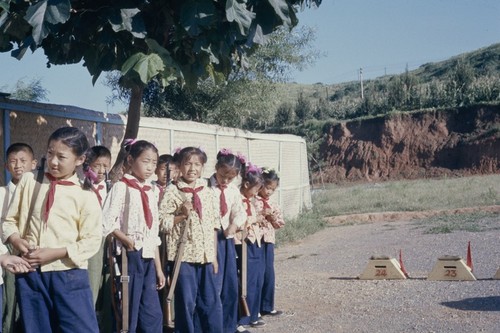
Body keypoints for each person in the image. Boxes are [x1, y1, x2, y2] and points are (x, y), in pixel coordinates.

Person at [2, 127, 102, 333]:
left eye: (61, 157)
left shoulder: (85, 195)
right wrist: (16, 239)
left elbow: (92, 240)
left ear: (80, 160)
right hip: (31, 274)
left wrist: (57, 252)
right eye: (50, 153)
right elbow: (8, 220)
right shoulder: (31, 181)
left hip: (69, 274)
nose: (53, 161)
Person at [102, 139, 165, 333]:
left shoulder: (152, 190)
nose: (150, 167)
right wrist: (126, 240)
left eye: (154, 163)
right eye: (146, 161)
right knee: (130, 309)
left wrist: (159, 269)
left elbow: (152, 232)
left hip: (148, 257)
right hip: (129, 256)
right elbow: (106, 222)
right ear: (130, 159)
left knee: (153, 311)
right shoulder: (121, 187)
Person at [159, 146, 222, 333]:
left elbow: (213, 225)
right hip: (182, 257)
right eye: (187, 164)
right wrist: (181, 214)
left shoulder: (208, 191)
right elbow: (162, 223)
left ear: (203, 167)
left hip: (205, 256)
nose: (192, 169)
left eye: (197, 164)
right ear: (179, 166)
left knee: (210, 301)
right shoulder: (172, 191)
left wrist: (215, 256)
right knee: (186, 302)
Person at [209, 148, 247, 333]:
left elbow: (240, 211)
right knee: (214, 283)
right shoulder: (205, 187)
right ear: (216, 167)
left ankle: (229, 325)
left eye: (230, 178)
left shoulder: (232, 191)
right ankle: (213, 326)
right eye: (222, 175)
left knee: (230, 283)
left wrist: (234, 225)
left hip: (227, 239)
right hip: (210, 239)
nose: (225, 180)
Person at [0, 142, 37, 333]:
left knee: (30, 307)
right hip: (8, 257)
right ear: (6, 166)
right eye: (13, 162)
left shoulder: (39, 193)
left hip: (34, 258)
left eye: (23, 161)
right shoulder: (2, 194)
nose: (18, 165)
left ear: (34, 164)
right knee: (10, 302)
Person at [236, 163, 265, 330]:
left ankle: (253, 314)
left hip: (254, 241)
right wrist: (255, 219)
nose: (256, 193)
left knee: (255, 280)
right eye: (255, 189)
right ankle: (242, 318)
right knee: (245, 281)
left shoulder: (250, 201)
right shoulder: (237, 199)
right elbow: (240, 221)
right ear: (246, 185)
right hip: (242, 242)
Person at [82, 145, 112, 306]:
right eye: (97, 166)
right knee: (92, 280)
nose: (101, 170)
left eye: (105, 166)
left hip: (108, 240)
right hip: (90, 240)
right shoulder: (81, 189)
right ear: (87, 166)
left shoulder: (111, 188)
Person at [255, 167, 285, 317]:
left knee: (269, 273)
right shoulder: (254, 202)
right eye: (267, 188)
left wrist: (272, 218)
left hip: (268, 241)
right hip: (256, 241)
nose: (268, 192)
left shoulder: (274, 205)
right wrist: (260, 214)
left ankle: (267, 305)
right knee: (258, 274)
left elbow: (280, 223)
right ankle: (256, 308)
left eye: (272, 189)